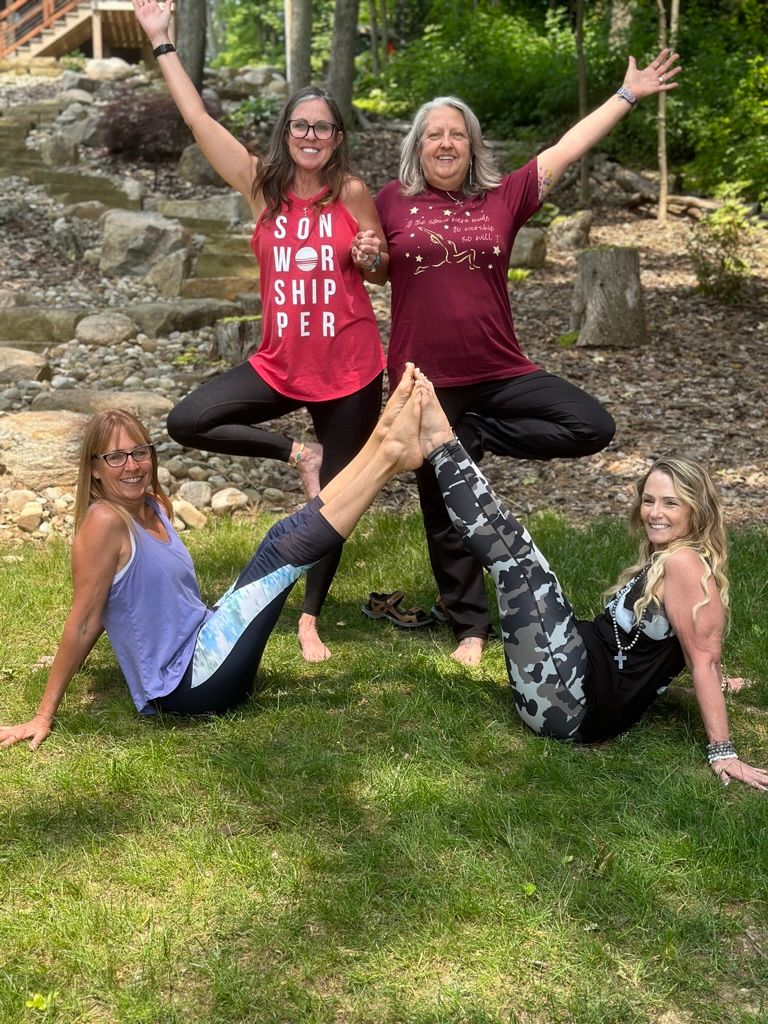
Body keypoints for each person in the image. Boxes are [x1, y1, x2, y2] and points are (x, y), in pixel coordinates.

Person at [353, 48, 680, 666]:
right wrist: (366, 258)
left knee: (591, 425)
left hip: (502, 371)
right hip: (425, 381)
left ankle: (477, 435)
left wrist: (628, 94)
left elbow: (566, 148)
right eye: (435, 135)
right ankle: (470, 627)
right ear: (418, 147)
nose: (446, 143)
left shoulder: (503, 197)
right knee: (444, 508)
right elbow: (370, 264)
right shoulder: (390, 200)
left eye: (458, 135)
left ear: (473, 148)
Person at [132, 0, 390, 663]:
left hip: (352, 368)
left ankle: (309, 619)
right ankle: (293, 455)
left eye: (323, 128)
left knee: (337, 499)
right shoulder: (259, 186)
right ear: (287, 132)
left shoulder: (353, 193)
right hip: (281, 363)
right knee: (190, 419)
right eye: (300, 125)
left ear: (337, 138)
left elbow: (381, 263)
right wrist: (162, 40)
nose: (310, 135)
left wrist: (371, 257)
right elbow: (197, 118)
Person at [0, 374, 425, 752]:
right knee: (281, 556)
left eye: (139, 452)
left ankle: (381, 439)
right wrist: (42, 715)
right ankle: (388, 459)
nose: (131, 466)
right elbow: (83, 621)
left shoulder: (150, 504)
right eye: (115, 458)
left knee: (277, 537)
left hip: (205, 642)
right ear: (94, 470)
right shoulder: (105, 521)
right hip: (186, 685)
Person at [413, 375, 766, 790]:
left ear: (697, 510)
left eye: (671, 503)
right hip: (568, 671)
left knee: (520, 561)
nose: (654, 512)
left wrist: (723, 752)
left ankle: (441, 444)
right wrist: (725, 682)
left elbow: (702, 654)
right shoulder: (672, 555)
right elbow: (693, 641)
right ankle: (441, 446)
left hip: (569, 702)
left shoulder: (685, 563)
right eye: (649, 499)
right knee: (524, 565)